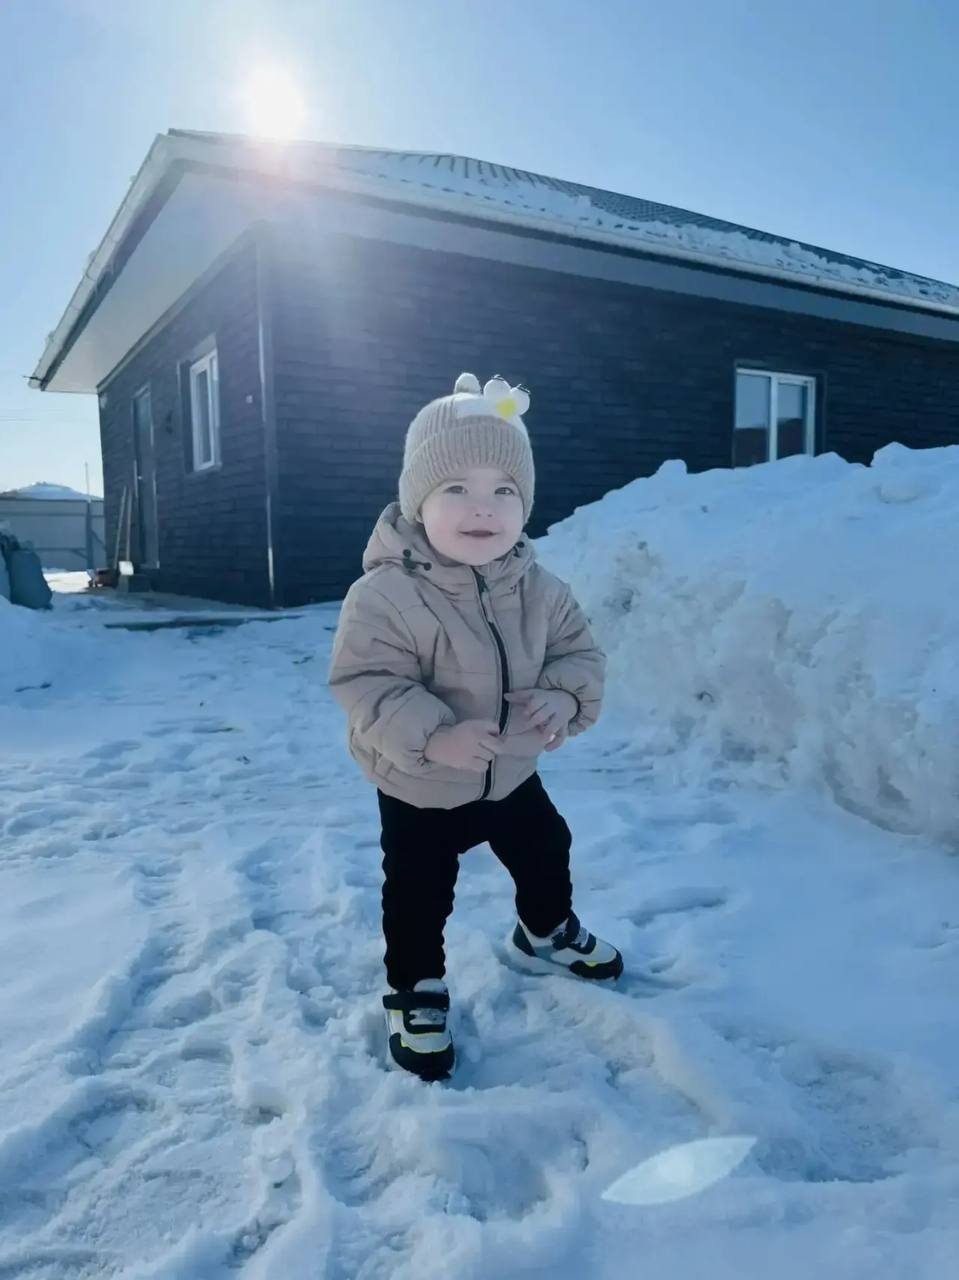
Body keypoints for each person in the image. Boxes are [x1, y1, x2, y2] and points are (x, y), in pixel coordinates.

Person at [329, 373, 623, 1081]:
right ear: (417, 501)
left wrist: (560, 695)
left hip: (511, 770)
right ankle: (416, 990)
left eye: (503, 491)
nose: (482, 508)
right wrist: (435, 734)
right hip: (419, 782)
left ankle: (544, 930)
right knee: (418, 892)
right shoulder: (384, 594)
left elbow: (578, 653)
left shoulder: (541, 590)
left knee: (546, 846)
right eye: (455, 488)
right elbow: (366, 682)